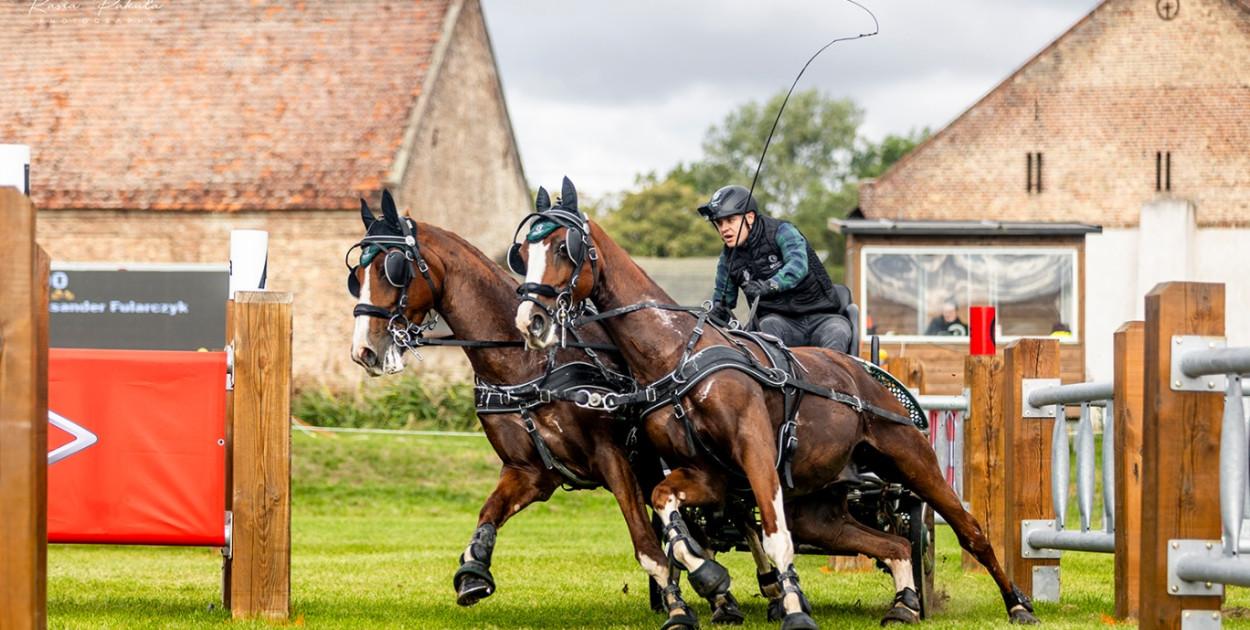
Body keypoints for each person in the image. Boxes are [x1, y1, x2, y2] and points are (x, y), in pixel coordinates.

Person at [697, 184, 853, 353]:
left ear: (749, 217)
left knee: (838, 332)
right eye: (719, 223)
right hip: (778, 323)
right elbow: (723, 301)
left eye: (730, 220)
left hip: (823, 318)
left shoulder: (782, 231)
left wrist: (770, 285)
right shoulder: (727, 260)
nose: (724, 228)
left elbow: (798, 265)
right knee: (765, 329)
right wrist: (717, 314)